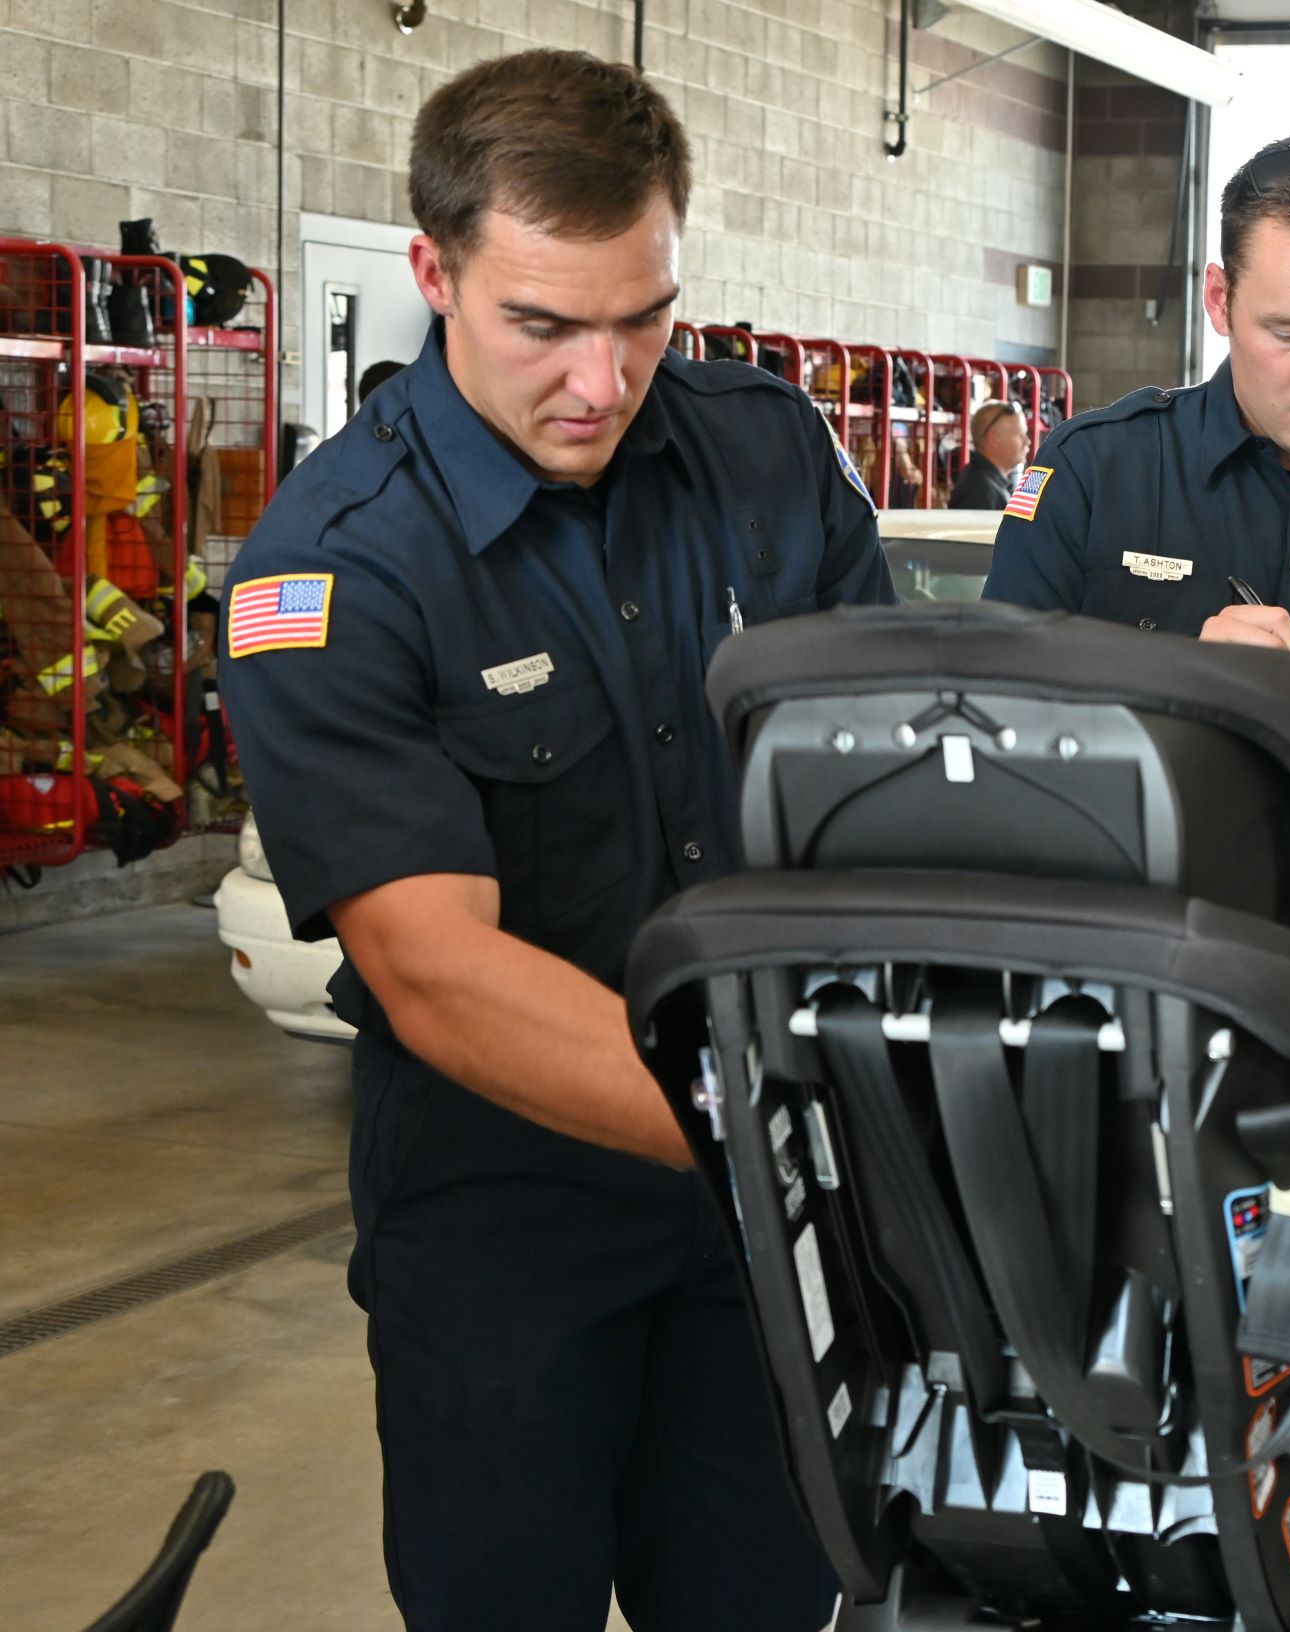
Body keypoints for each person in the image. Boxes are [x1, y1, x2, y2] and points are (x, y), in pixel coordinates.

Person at [217, 51, 891, 1631]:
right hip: (503, 1223)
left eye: (643, 316)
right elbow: (436, 971)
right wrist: (762, 1123)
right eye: (543, 325)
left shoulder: (765, 451)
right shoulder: (331, 568)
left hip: (765, 1232)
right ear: (433, 274)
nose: (604, 378)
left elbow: (894, 769)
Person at [982, 132, 1290, 971]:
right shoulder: (1096, 468)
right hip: (1113, 976)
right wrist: (1178, 682)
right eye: (1288, 331)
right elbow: (986, 727)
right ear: (1217, 299)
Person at [950, 399, 1026, 509]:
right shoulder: (980, 491)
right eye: (1020, 435)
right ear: (994, 439)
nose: (1027, 442)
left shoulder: (986, 485)